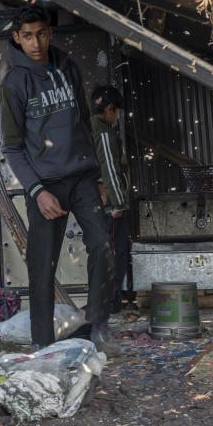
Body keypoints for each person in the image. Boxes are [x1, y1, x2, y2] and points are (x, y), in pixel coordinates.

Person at [0, 6, 120, 356]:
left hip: (82, 177)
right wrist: (36, 192)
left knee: (102, 245)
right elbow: (12, 146)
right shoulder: (13, 84)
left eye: (41, 34)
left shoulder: (68, 68)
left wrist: (96, 176)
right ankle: (42, 343)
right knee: (42, 263)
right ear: (16, 38)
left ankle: (98, 326)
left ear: (49, 33)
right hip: (46, 186)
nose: (35, 43)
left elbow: (84, 124)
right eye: (27, 36)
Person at [90, 85, 131, 315]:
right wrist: (117, 203)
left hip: (102, 205)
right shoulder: (103, 132)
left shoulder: (93, 127)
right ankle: (112, 303)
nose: (118, 118)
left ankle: (109, 302)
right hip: (110, 207)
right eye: (117, 113)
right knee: (115, 254)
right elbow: (110, 170)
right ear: (109, 109)